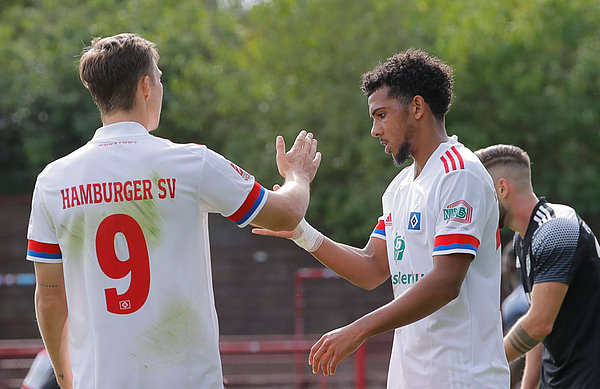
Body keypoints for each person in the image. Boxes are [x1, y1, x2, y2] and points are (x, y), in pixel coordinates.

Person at [26, 33, 321, 389]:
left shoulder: (53, 180)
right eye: (161, 78)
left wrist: (64, 376)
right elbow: (287, 213)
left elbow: (50, 297)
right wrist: (298, 176)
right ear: (146, 87)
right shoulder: (190, 162)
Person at [254, 49, 509, 388]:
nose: (375, 130)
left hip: (463, 377)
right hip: (411, 378)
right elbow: (372, 266)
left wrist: (359, 329)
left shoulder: (458, 173)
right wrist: (301, 231)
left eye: (382, 115)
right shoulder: (400, 187)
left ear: (417, 108)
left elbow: (446, 283)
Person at [475, 144, 600, 388]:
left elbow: (539, 322)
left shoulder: (555, 229)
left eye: (479, 194)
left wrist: (482, 365)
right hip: (563, 380)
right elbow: (536, 326)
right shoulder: (524, 240)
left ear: (502, 188)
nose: (475, 207)